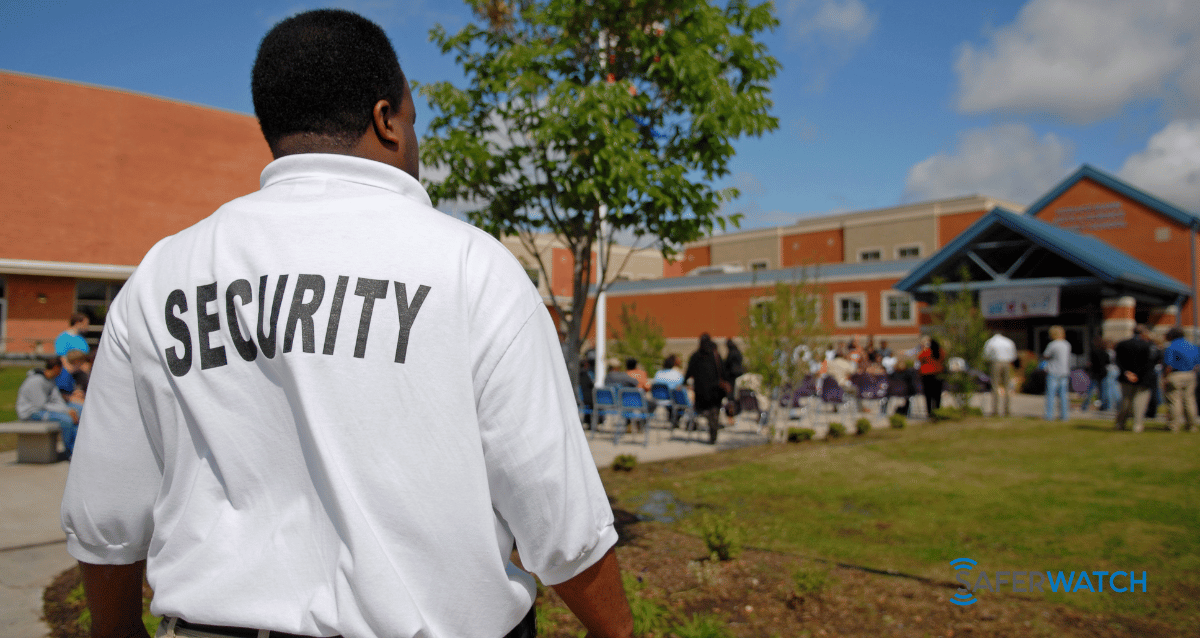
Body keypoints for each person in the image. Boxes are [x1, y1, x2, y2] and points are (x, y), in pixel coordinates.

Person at [60, 11, 632, 638]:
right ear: (387, 120)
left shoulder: (162, 276)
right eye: (413, 121)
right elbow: (561, 519)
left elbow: (103, 518)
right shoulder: (472, 268)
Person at [16, 357, 79, 458]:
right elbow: (40, 405)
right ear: (55, 368)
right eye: (61, 369)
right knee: (67, 420)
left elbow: (57, 400)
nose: (61, 372)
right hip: (30, 413)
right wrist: (66, 412)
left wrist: (69, 410)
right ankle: (70, 452)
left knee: (77, 411)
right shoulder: (35, 380)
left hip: (43, 409)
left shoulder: (51, 380)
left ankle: (77, 448)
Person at [685, 333, 727, 444]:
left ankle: (711, 428)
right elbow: (723, 372)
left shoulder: (695, 356)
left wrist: (685, 382)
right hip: (714, 393)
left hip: (701, 392)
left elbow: (689, 372)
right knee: (714, 412)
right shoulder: (715, 356)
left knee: (707, 412)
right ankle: (713, 433)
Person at [1115, 325, 1155, 433]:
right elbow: (1148, 363)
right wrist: (1138, 375)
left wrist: (1127, 372)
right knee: (1139, 402)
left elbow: (1118, 360)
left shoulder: (1122, 344)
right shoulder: (1148, 345)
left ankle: (1120, 423)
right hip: (1142, 378)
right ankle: (1137, 425)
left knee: (1125, 401)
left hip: (1126, 376)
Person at [1161, 327, 1199, 432]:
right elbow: (1197, 363)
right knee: (1189, 400)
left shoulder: (1171, 347)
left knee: (1174, 400)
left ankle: (1173, 426)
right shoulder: (1192, 346)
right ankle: (1191, 425)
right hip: (1190, 374)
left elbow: (1168, 365)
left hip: (1176, 374)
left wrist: (1165, 377)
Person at [982, 331, 1017, 417]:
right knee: (1007, 386)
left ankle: (995, 410)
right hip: (1006, 363)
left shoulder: (991, 342)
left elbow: (985, 354)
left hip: (995, 363)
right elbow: (1014, 355)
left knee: (995, 386)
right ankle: (1007, 410)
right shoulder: (1008, 341)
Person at [1041, 326, 1072, 421]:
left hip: (1053, 371)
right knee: (1063, 395)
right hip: (1064, 372)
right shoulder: (1067, 344)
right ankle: (1064, 416)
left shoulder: (1053, 344)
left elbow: (1046, 356)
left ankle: (1049, 415)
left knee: (1051, 395)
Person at [917, 336, 945, 414]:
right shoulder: (940, 351)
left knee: (928, 394)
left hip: (927, 375)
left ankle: (929, 411)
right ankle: (937, 410)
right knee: (937, 394)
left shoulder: (927, 351)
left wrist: (923, 348)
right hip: (938, 374)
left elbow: (919, 357)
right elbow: (943, 358)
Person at [1083, 337, 1111, 411]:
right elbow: (1108, 363)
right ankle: (1105, 407)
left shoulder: (1093, 352)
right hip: (1103, 373)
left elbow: (1090, 363)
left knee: (1090, 391)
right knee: (1103, 391)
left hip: (1095, 373)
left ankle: (1085, 406)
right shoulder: (1105, 353)